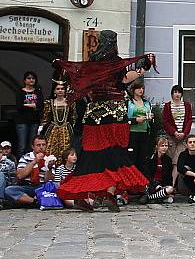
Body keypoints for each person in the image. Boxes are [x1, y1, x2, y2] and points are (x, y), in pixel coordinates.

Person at [54, 30, 153, 212]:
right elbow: (125, 81)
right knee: (115, 155)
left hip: (94, 116)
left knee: (91, 156)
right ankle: (109, 194)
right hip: (115, 115)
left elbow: (83, 85)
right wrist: (144, 67)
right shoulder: (116, 64)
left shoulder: (92, 63)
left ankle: (82, 195)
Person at [4, 135, 54, 206]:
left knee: (56, 186)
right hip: (27, 186)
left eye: (43, 145)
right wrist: (34, 161)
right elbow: (20, 176)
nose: (41, 147)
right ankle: (35, 202)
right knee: (9, 190)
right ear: (33, 147)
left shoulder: (50, 158)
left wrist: (49, 168)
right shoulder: (25, 157)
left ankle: (30, 201)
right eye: (38, 145)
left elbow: (49, 180)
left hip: (42, 187)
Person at [40, 81, 76, 166]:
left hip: (66, 129)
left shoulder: (70, 103)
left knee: (66, 148)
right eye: (58, 89)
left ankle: (65, 168)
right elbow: (45, 117)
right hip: (53, 129)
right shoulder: (49, 103)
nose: (60, 90)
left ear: (65, 91)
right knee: (51, 149)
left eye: (62, 89)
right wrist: (41, 127)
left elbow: (73, 117)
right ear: (54, 91)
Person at [162, 84, 192, 184]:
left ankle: (173, 184)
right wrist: (174, 132)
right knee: (169, 160)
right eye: (175, 92)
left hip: (183, 138)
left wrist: (184, 133)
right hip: (171, 137)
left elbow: (189, 120)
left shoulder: (187, 105)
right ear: (172, 94)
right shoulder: (167, 106)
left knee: (177, 161)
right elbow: (165, 121)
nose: (177, 94)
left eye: (179, 92)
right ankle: (167, 182)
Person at [127, 81, 153, 176]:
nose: (141, 90)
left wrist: (150, 118)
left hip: (144, 132)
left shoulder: (147, 103)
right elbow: (124, 118)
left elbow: (150, 117)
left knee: (143, 158)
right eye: (139, 88)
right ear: (133, 90)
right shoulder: (129, 102)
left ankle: (143, 181)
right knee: (131, 157)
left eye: (142, 88)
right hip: (132, 133)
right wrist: (135, 120)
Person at [15, 71, 43, 158]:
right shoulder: (20, 92)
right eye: (29, 78)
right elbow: (19, 106)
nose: (31, 80)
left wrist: (26, 105)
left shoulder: (38, 91)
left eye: (33, 78)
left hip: (34, 121)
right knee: (22, 146)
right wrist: (33, 106)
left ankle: (32, 165)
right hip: (22, 121)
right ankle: (20, 166)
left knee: (32, 145)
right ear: (24, 80)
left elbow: (41, 105)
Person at [141, 137, 175, 204]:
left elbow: (168, 177)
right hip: (150, 183)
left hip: (161, 185)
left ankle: (150, 198)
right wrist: (155, 184)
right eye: (162, 146)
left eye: (166, 146)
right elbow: (147, 174)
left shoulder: (168, 160)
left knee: (170, 189)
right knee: (144, 186)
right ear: (157, 146)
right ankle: (158, 197)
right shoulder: (150, 158)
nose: (164, 148)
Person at [0, 140, 17, 207]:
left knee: (0, 174)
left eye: (0, 153)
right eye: (4, 149)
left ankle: (0, 200)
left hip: (6, 185)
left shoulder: (10, 162)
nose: (6, 150)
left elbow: (14, 179)